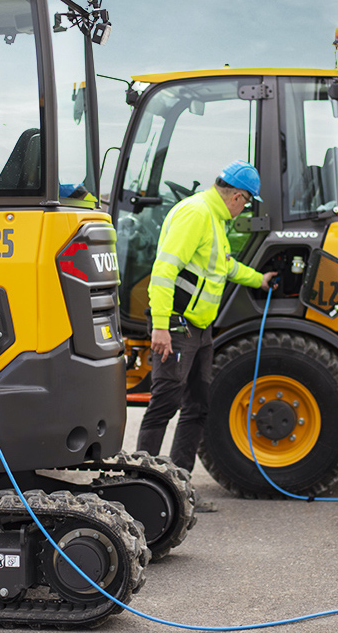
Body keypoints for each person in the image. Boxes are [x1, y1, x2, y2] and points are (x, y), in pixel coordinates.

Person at [136, 160, 277, 512]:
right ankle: (138, 489)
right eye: (246, 202)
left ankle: (178, 491)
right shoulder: (196, 214)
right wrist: (160, 326)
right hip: (178, 328)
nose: (244, 208)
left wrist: (258, 279)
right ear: (237, 195)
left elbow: (223, 267)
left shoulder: (215, 219)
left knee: (197, 408)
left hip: (201, 332)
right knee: (163, 405)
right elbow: (164, 269)